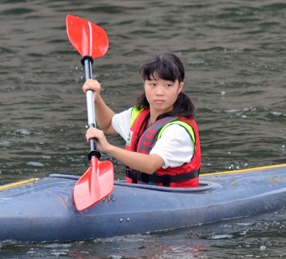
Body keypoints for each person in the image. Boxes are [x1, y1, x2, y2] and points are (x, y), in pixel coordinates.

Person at [83, 53, 201, 187]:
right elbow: (108, 124)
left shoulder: (178, 130)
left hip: (174, 198)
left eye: (167, 85)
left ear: (179, 88)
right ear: (144, 84)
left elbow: (151, 164)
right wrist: (97, 99)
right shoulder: (139, 114)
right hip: (142, 193)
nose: (159, 92)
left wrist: (108, 148)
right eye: (153, 84)